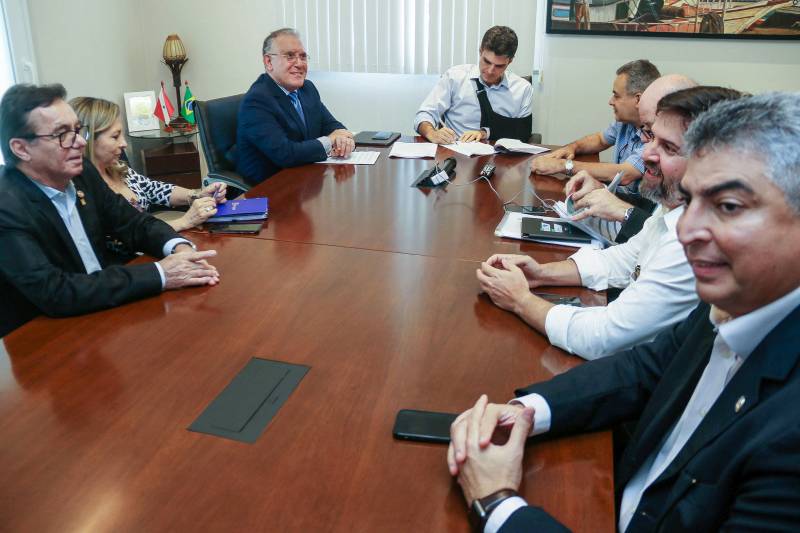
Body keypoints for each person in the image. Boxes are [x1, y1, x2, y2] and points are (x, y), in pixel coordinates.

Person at [449, 92, 800, 532]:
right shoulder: (735, 303)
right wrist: (526, 411)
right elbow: (646, 369)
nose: (687, 230)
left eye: (727, 207)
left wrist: (496, 505)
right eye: (690, 200)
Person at [477, 86, 743, 360]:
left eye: (668, 147)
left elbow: (603, 337)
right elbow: (624, 259)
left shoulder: (691, 240)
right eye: (650, 137)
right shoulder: (672, 206)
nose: (646, 154)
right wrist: (541, 274)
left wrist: (521, 300)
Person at [0, 84, 219, 336]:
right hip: (48, 336)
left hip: (105, 311)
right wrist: (161, 273)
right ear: (21, 148)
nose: (80, 142)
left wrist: (179, 249)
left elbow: (133, 223)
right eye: (62, 134)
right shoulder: (7, 207)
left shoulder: (82, 173)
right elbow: (55, 291)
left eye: (77, 130)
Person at [565, 74, 697, 244]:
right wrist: (603, 190)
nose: (645, 152)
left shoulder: (698, 217)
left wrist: (625, 212)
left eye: (667, 145)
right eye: (649, 133)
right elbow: (650, 211)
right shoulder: (672, 189)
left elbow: (661, 238)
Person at [70, 96, 226, 236]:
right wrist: (183, 222)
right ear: (87, 140)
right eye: (115, 136)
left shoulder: (117, 166)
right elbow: (121, 239)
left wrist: (197, 195)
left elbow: (154, 189)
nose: (124, 144)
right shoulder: (83, 191)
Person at [236, 28, 354, 184]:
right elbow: (286, 154)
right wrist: (330, 140)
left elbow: (333, 126)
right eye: (290, 56)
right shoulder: (257, 101)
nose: (299, 64)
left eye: (303, 57)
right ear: (269, 62)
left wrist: (344, 139)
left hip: (305, 180)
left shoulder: (307, 89)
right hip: (271, 188)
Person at [531, 59, 660, 185]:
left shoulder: (657, 136)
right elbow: (600, 139)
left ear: (638, 99)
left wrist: (562, 165)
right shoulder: (626, 122)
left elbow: (624, 174)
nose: (611, 101)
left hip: (630, 200)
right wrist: (572, 148)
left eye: (616, 96)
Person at [414, 26, 532, 144]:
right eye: (487, 61)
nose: (490, 71)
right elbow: (424, 114)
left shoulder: (523, 89)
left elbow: (523, 132)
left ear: (510, 61)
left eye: (499, 66)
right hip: (457, 150)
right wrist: (431, 133)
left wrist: (484, 133)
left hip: (501, 153)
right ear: (480, 51)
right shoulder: (455, 77)